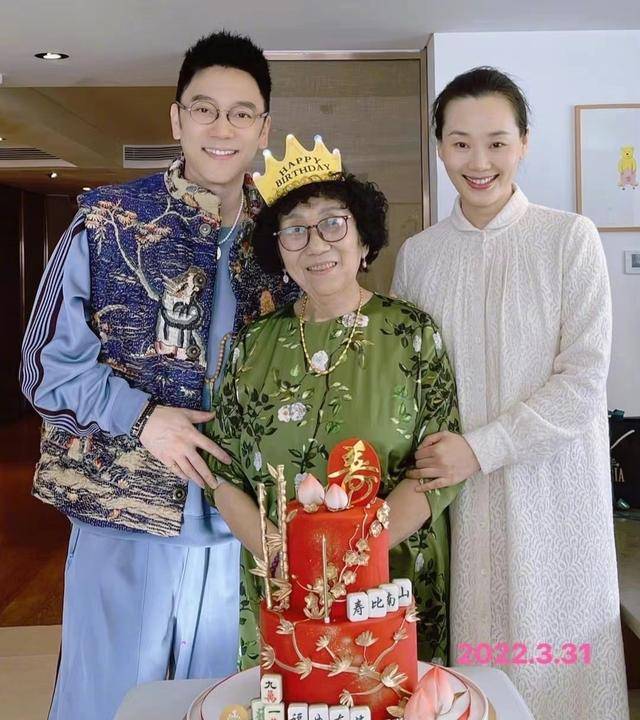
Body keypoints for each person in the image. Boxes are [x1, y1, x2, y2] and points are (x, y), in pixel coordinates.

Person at [20, 31, 298, 720]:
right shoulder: (107, 221)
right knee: (108, 701)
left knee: (221, 703)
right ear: (177, 119)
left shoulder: (286, 241)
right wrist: (143, 418)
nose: (222, 129)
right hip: (123, 509)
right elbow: (44, 367)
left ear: (263, 128)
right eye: (204, 109)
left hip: (238, 523)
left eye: (241, 113)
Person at [392, 67, 629, 720]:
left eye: (497, 142)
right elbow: (407, 384)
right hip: (461, 508)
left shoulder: (569, 238)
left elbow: (583, 384)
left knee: (563, 677)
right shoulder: (419, 256)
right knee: (478, 680)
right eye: (461, 143)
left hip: (556, 503)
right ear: (440, 147)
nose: (480, 162)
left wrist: (480, 448)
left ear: (524, 143)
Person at [203, 133, 461, 669]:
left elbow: (438, 469)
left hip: (390, 584)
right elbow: (220, 473)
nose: (316, 244)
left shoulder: (412, 334)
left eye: (333, 224)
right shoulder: (252, 346)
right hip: (284, 589)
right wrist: (286, 557)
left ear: (363, 240)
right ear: (280, 251)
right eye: (295, 230)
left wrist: (353, 557)